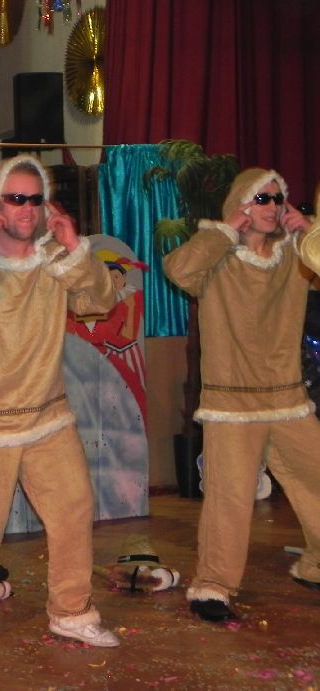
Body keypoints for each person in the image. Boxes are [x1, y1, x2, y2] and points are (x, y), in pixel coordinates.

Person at [0, 155, 121, 665]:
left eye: (35, 199)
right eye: (15, 198)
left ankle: (72, 611)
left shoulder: (55, 262)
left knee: (73, 510)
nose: (27, 209)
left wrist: (75, 248)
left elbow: (101, 300)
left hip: (48, 416)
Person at [164, 168, 320, 623]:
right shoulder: (217, 258)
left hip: (287, 399)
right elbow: (178, 268)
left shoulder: (295, 256)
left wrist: (310, 232)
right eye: (262, 198)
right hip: (232, 404)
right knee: (229, 497)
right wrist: (225, 230)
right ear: (241, 204)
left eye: (278, 198)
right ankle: (213, 585)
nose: (272, 206)